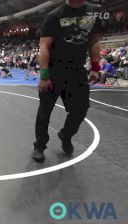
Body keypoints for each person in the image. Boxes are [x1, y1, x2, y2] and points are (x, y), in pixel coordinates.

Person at [32, 0, 103, 162]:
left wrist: (95, 67)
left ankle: (66, 134)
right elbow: (44, 47)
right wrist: (44, 76)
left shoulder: (94, 12)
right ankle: (39, 145)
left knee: (81, 108)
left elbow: (94, 41)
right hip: (53, 70)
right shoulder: (54, 16)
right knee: (44, 112)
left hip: (76, 70)